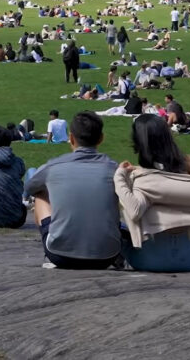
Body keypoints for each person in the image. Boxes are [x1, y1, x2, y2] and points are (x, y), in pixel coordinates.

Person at [24, 112, 121, 269]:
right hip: (107, 255)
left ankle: (54, 244)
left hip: (60, 255)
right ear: (101, 138)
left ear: (71, 138)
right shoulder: (114, 168)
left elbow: (29, 188)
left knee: (40, 195)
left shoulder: (53, 167)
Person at [114, 114, 190, 272]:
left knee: (118, 230)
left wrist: (119, 177)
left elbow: (135, 210)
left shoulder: (142, 177)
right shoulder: (187, 166)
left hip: (151, 260)